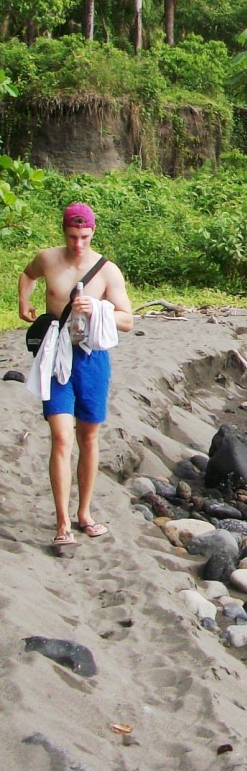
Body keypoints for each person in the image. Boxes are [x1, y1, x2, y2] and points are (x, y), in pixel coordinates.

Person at [18, 202, 134, 548]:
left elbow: (127, 320)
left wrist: (99, 309)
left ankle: (84, 513)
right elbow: (27, 274)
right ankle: (62, 522)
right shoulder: (47, 258)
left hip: (92, 358)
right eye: (72, 236)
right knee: (61, 437)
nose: (78, 244)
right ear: (63, 232)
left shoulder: (107, 272)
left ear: (93, 232)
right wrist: (23, 301)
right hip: (56, 357)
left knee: (88, 437)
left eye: (84, 237)